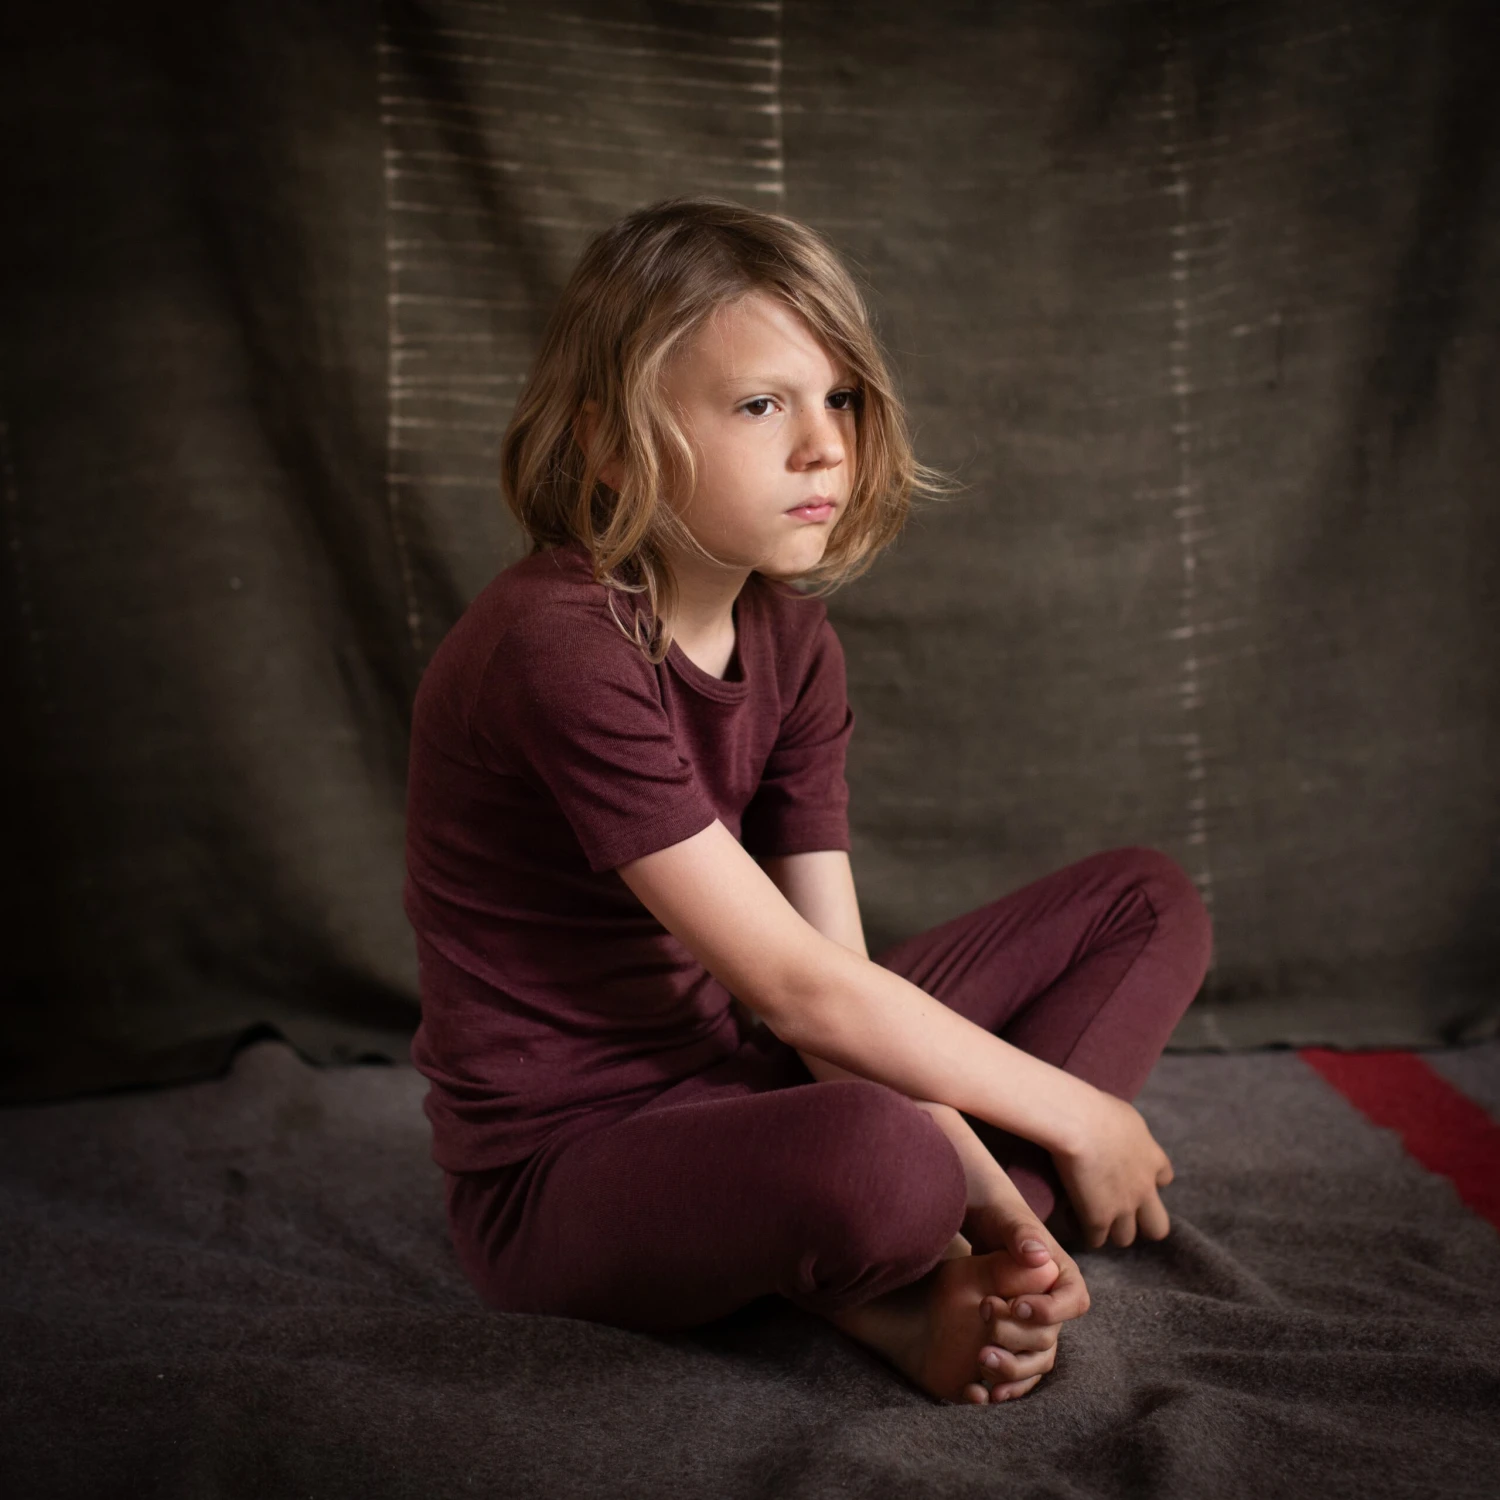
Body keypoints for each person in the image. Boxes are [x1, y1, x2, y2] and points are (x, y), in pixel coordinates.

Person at [403, 196, 1214, 1407]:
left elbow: (831, 993)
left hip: (755, 1070)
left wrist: (991, 1216)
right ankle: (894, 1278)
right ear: (611, 444)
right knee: (886, 1161)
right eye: (759, 405)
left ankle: (951, 1263)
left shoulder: (791, 638)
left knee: (1144, 904)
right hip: (565, 1168)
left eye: (838, 398)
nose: (825, 446)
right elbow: (800, 994)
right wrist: (1080, 1116)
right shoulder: (553, 645)